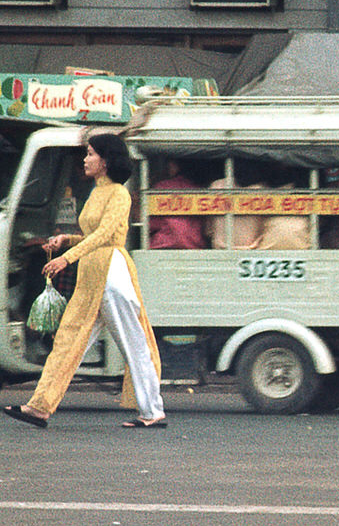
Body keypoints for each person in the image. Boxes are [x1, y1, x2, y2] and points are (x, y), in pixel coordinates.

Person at [4, 133, 166, 429]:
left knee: (134, 344)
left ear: (105, 161)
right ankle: (39, 406)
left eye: (90, 154)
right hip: (92, 275)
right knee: (67, 340)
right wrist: (66, 240)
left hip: (112, 273)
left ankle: (152, 412)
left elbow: (106, 236)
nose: (85, 159)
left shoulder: (119, 193)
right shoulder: (96, 192)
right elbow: (92, 235)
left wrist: (67, 258)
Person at [148, 158, 205, 249]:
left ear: (175, 166)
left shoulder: (162, 187)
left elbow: (151, 224)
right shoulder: (199, 189)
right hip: (193, 246)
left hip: (164, 244)